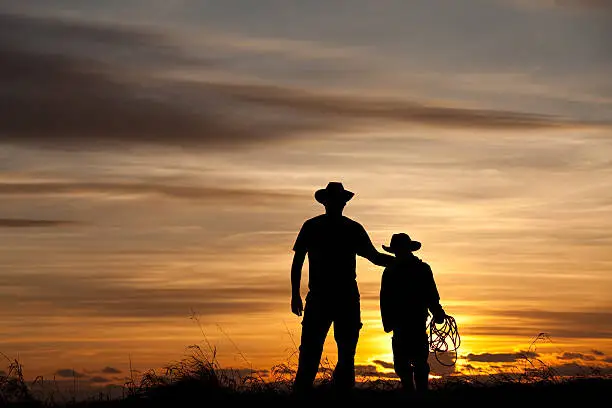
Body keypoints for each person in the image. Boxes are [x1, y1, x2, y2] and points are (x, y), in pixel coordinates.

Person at [291, 182, 394, 393]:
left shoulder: (325, 227)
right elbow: (298, 261)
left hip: (337, 297)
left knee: (341, 353)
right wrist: (295, 295)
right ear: (328, 202)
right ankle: (309, 393)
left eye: (339, 200)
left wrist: (398, 261)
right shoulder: (336, 228)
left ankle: (328, 393)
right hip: (331, 296)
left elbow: (374, 257)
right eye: (335, 200)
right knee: (316, 351)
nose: (338, 204)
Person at [379, 233, 446, 393]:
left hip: (410, 323)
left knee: (413, 362)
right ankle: (415, 392)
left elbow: (385, 299)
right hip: (407, 323)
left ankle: (416, 393)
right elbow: (385, 299)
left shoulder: (392, 271)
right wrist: (436, 310)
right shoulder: (418, 269)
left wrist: (437, 310)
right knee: (409, 363)